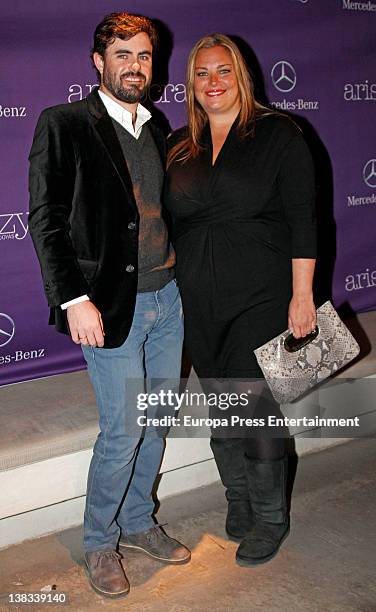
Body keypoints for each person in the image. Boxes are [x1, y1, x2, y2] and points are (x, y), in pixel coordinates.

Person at [28, 12, 190, 599]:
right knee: (123, 429)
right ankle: (100, 543)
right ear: (99, 62)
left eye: (144, 56)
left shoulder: (157, 125)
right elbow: (45, 221)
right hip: (109, 306)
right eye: (123, 54)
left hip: (168, 299)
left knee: (157, 420)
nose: (135, 65)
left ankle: (140, 523)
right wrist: (74, 298)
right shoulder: (65, 123)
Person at [165, 33, 317, 567]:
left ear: (242, 76)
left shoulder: (279, 135)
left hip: (263, 291)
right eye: (202, 73)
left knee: (255, 406)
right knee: (222, 407)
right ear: (191, 82)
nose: (213, 82)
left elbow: (304, 219)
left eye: (223, 71)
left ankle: (271, 518)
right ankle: (240, 500)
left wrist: (303, 296)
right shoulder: (178, 145)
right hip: (199, 298)